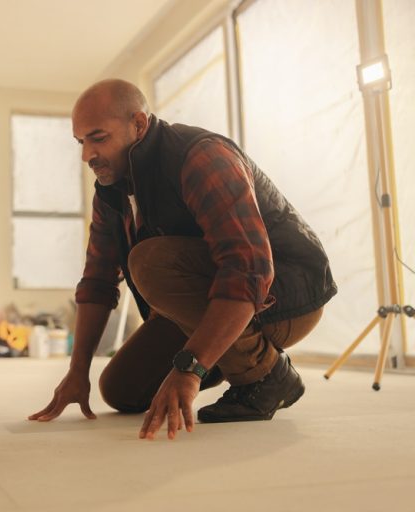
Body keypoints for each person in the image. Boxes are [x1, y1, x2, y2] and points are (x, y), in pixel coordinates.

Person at [29, 79, 336, 440]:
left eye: (99, 138)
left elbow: (249, 268)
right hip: (213, 301)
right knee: (121, 390)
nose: (87, 155)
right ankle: (222, 354)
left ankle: (267, 376)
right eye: (81, 142)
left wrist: (191, 368)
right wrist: (77, 371)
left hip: (284, 298)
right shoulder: (110, 194)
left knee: (148, 261)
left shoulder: (201, 156)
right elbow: (97, 281)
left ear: (139, 125)